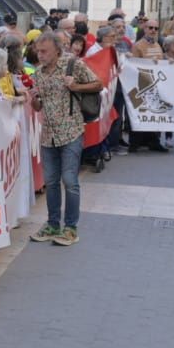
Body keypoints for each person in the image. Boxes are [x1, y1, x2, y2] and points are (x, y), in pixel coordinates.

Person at [27, 32, 103, 246]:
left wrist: (76, 86)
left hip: (71, 131)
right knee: (51, 182)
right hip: (48, 135)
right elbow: (39, 106)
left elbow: (98, 84)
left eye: (44, 51)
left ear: (57, 51)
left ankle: (70, 228)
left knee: (69, 181)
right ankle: (52, 224)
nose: (40, 55)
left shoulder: (72, 65)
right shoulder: (38, 74)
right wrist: (33, 100)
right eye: (38, 51)